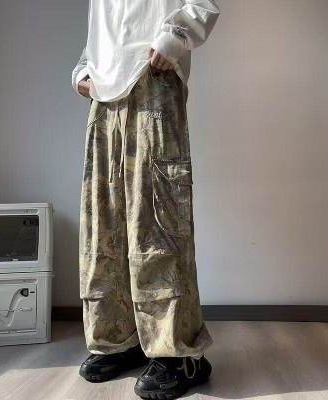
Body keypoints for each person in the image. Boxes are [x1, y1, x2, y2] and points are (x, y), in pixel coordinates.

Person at [72, 1, 220, 399]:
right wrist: (83, 70)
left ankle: (179, 354)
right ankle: (120, 339)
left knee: (158, 220)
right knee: (104, 221)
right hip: (104, 94)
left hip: (152, 75)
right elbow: (104, 25)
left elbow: (203, 4)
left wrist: (172, 38)